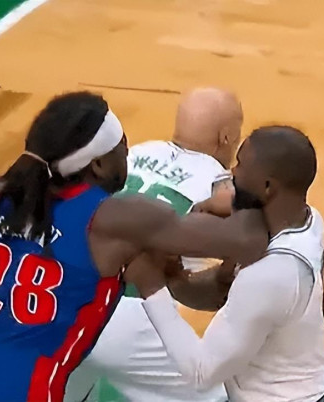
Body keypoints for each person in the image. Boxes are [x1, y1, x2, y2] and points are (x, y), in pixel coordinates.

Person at [0, 91, 267, 402]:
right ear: (98, 164)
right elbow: (245, 241)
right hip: (31, 381)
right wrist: (239, 200)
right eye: (122, 149)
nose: (128, 155)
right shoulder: (120, 217)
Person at [130, 126, 324, 401]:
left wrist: (151, 286)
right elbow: (223, 286)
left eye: (241, 165)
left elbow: (202, 372)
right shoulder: (309, 220)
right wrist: (175, 279)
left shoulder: (271, 274)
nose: (233, 171)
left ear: (268, 187)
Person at [66, 88, 241, 401]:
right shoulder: (220, 185)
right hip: (130, 316)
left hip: (64, 300)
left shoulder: (134, 154)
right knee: (220, 395)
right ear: (226, 137)